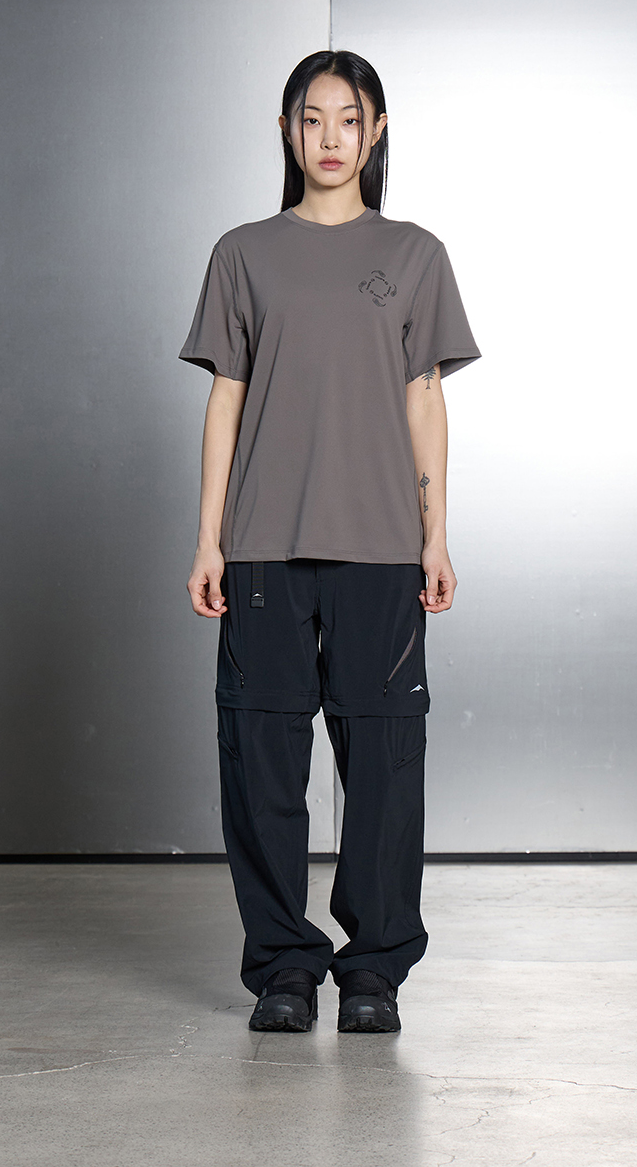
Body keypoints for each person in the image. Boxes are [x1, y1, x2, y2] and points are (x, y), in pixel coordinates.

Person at [179, 50, 480, 1033]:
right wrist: (209, 541)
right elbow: (225, 401)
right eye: (312, 120)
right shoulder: (243, 254)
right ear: (286, 132)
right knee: (262, 766)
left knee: (384, 768)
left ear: (377, 130)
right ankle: (283, 968)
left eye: (350, 120)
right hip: (263, 547)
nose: (331, 139)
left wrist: (436, 535)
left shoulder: (415, 255)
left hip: (382, 548)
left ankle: (374, 971)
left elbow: (424, 400)